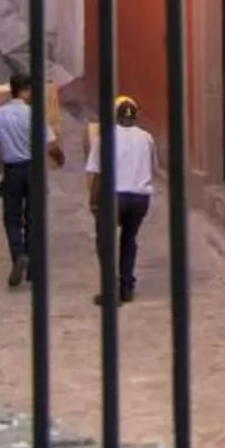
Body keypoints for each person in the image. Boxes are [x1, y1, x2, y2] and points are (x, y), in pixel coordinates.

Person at [0, 71, 60, 288]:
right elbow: (50, 145)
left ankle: (18, 254)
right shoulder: (35, 114)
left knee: (12, 217)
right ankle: (33, 264)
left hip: (12, 170)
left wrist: (5, 150)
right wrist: (59, 159)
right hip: (34, 169)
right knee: (34, 217)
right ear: (25, 90)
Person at [83, 94, 157, 303]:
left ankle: (111, 288)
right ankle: (127, 286)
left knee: (105, 242)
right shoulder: (147, 137)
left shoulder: (105, 136)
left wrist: (93, 200)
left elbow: (96, 172)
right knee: (129, 240)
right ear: (135, 116)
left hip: (114, 196)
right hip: (140, 198)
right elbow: (151, 167)